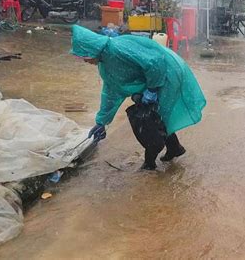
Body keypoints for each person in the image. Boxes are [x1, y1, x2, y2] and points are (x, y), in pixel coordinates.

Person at [70, 25, 206, 170]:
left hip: (167, 73)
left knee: (151, 122)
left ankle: (149, 163)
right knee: (158, 118)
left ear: (91, 50)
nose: (85, 61)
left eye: (84, 57)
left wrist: (152, 88)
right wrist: (101, 122)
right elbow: (111, 91)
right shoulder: (105, 63)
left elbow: (154, 62)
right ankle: (175, 148)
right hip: (155, 77)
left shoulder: (117, 49)